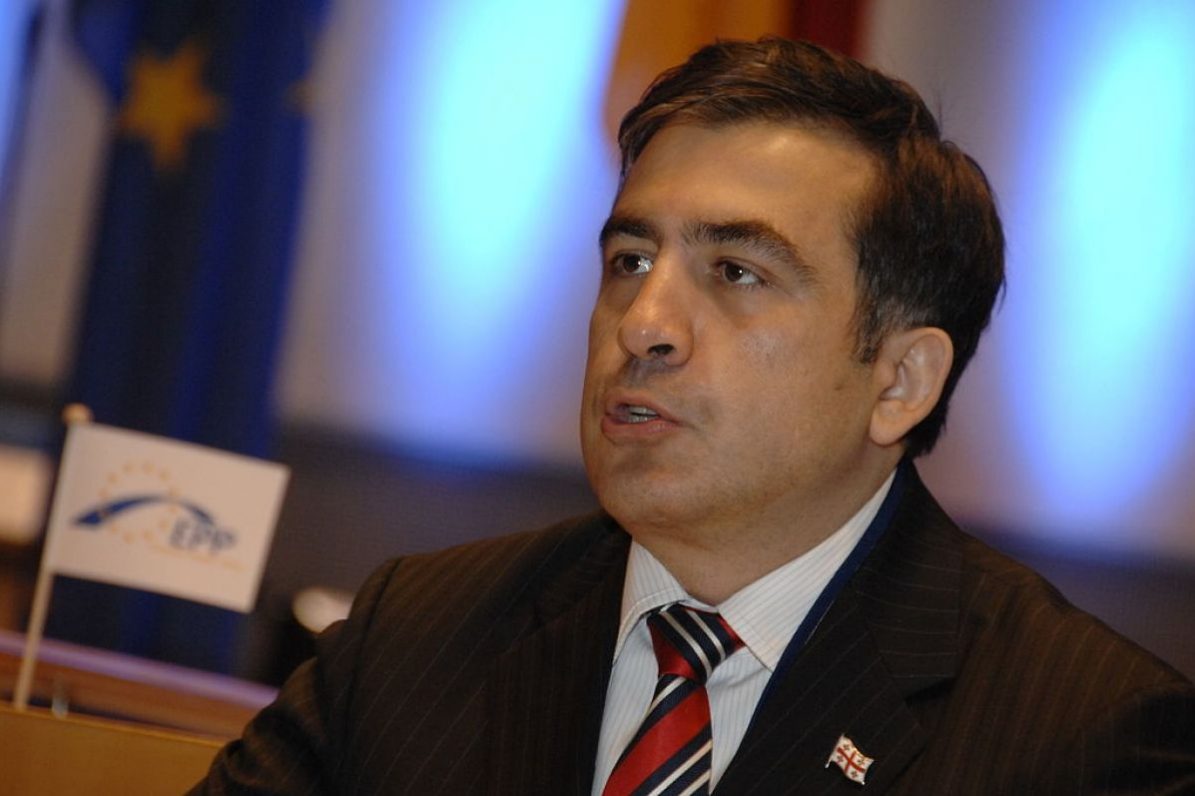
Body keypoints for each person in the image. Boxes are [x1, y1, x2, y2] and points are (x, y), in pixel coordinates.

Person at [194, 38, 1195, 794]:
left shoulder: (1086, 736)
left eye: (736, 271)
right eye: (629, 260)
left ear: (900, 380)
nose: (644, 323)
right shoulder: (416, 633)